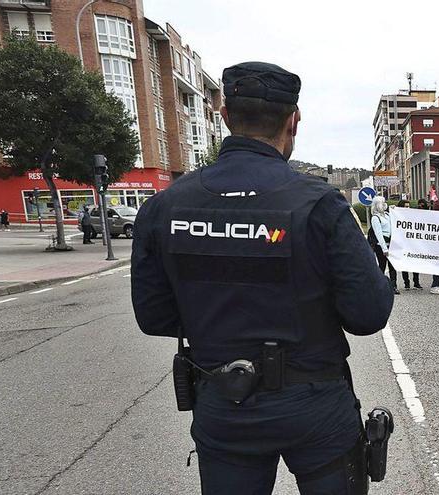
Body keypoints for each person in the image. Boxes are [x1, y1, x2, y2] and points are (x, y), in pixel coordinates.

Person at [130, 62, 393, 494]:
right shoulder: (319, 203)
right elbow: (368, 314)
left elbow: (154, 316)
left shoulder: (165, 206)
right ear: (294, 121)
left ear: (225, 116)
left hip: (225, 398)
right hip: (315, 404)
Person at [369, 196, 398, 295]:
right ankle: (379, 287)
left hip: (392, 244)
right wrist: (384, 248)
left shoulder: (387, 215)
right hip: (381, 246)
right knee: (382, 266)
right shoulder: (375, 218)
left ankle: (394, 286)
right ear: (378, 204)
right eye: (383, 202)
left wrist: (394, 210)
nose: (385, 204)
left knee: (393, 266)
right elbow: (379, 234)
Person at [396, 199, 422, 290]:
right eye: (406, 206)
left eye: (408, 206)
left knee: (415, 264)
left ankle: (416, 283)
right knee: (404, 265)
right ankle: (406, 283)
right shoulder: (397, 216)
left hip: (413, 244)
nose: (408, 208)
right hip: (403, 245)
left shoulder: (412, 216)